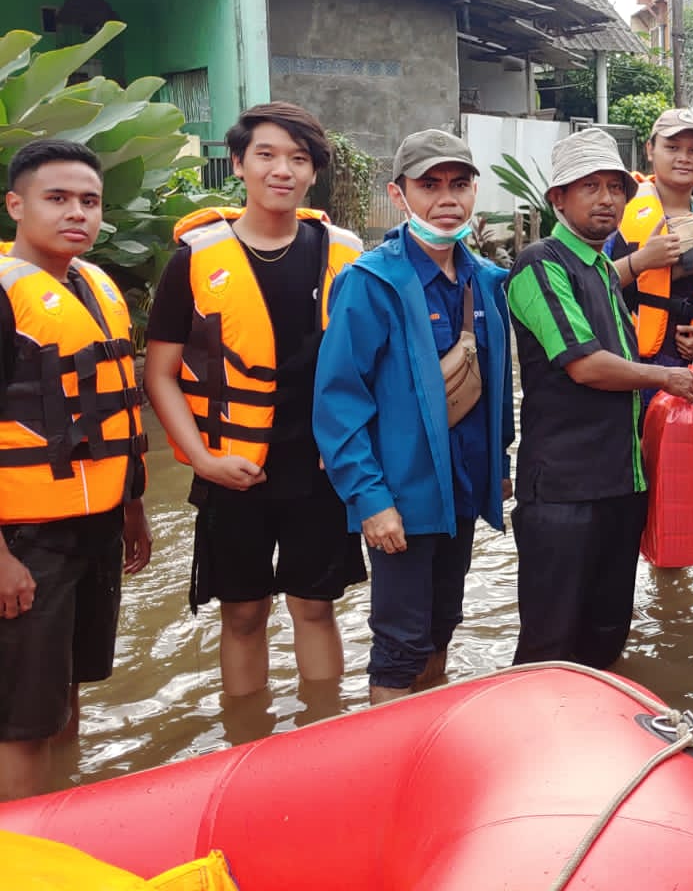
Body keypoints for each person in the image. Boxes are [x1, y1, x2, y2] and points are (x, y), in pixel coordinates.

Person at [144, 103, 366, 699]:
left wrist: (355, 453)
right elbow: (160, 374)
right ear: (238, 164)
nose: (282, 170)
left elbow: (375, 365)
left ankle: (320, 734)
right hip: (232, 468)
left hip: (320, 470)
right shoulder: (194, 260)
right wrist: (202, 459)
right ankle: (246, 741)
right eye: (266, 155)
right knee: (242, 615)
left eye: (298, 159)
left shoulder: (347, 255)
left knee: (316, 610)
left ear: (313, 173)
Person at [314, 130, 515, 705]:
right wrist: (370, 501)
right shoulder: (369, 283)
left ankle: (429, 740)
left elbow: (498, 382)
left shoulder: (483, 279)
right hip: (400, 496)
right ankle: (393, 767)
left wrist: (498, 463)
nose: (446, 199)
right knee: (399, 641)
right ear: (399, 195)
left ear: (475, 191)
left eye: (458, 184)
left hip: (462, 490)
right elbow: (338, 402)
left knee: (443, 623)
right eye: (429, 186)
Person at [506, 129, 693, 667]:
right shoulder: (539, 263)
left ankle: (596, 741)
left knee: (608, 630)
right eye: (589, 187)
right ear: (558, 199)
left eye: (615, 187)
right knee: (551, 640)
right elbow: (585, 366)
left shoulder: (599, 269)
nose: (607, 198)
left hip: (620, 483)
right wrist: (664, 378)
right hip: (566, 490)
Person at [0, 140, 151, 801]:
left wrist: (132, 508)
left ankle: (62, 823)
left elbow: (106, 417)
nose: (76, 213)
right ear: (16, 205)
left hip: (95, 526)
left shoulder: (93, 287)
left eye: (89, 201)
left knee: (63, 694)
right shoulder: (8, 298)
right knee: (21, 720)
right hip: (26, 540)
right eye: (56, 198)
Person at [608, 107, 693, 399]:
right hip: (633, 366)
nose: (684, 157)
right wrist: (639, 261)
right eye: (672, 147)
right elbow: (585, 284)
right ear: (650, 149)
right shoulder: (618, 209)